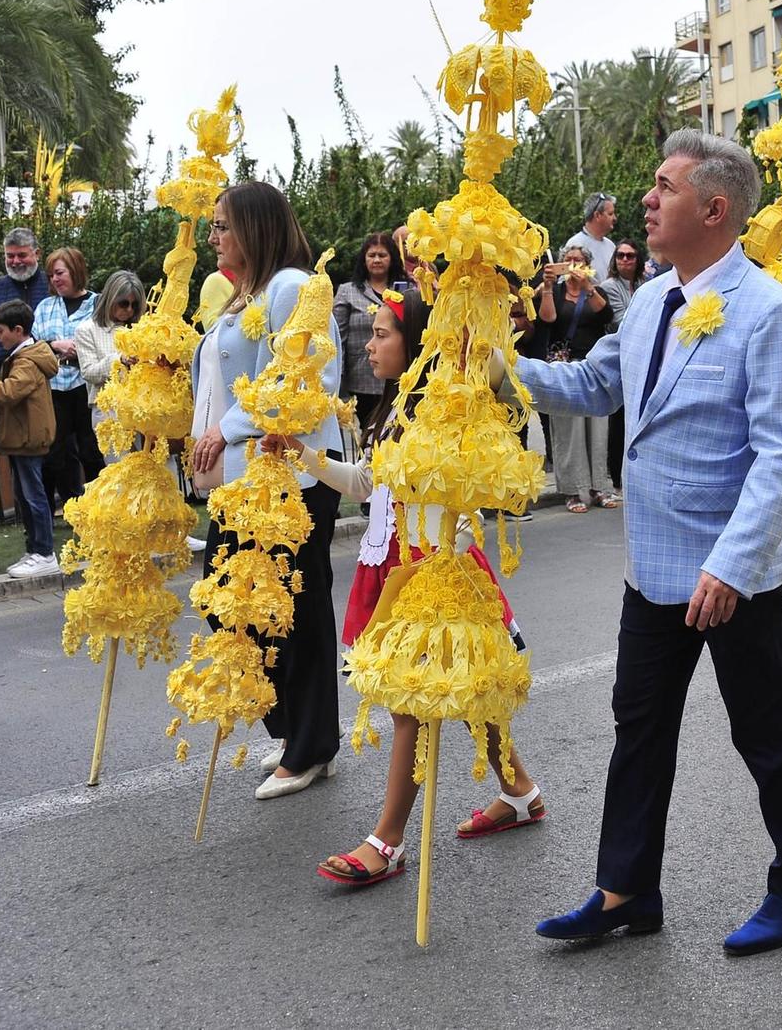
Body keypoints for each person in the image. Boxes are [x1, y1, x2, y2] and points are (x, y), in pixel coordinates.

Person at [516, 130, 782, 955]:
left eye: (664, 186)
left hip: (733, 573)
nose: (647, 200)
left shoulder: (772, 313)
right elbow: (594, 383)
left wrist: (730, 563)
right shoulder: (654, 297)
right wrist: (499, 372)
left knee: (763, 735)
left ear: (715, 208)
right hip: (649, 568)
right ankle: (625, 889)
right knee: (639, 727)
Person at [266, 293, 547, 885]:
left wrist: (458, 537)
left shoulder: (455, 410)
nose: (369, 344)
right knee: (462, 694)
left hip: (440, 574)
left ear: (419, 342)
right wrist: (303, 454)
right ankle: (520, 791)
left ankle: (386, 840)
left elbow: (501, 473)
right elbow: (368, 483)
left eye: (384, 333)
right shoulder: (394, 411)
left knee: (412, 704)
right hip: (394, 571)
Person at [187, 182, 345, 800]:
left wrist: (224, 431)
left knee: (295, 610)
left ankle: (307, 746)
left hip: (293, 478)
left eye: (224, 225)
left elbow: (302, 378)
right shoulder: (245, 294)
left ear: (255, 227)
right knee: (231, 600)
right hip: (246, 478)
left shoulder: (293, 289)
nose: (215, 237)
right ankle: (297, 731)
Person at [0, 298, 60, 579]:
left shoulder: (26, 361)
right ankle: (35, 550)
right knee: (26, 497)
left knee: (34, 498)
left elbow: (8, 392)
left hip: (28, 441)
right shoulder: (24, 356)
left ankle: (44, 553)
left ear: (18, 330)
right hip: (22, 440)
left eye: (0, 331)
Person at [533, 246, 617, 513]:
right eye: (567, 260)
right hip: (564, 366)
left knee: (597, 431)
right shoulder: (556, 291)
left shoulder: (596, 290)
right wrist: (546, 287)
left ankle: (599, 487)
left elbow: (606, 315)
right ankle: (572, 490)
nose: (571, 264)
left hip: (594, 366)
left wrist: (587, 286)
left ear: (587, 264)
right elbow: (548, 319)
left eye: (578, 260)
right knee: (569, 433)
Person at [31, 247, 103, 508]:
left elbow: (109, 339)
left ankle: (99, 509)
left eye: (59, 273)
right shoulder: (44, 307)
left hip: (88, 388)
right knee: (53, 455)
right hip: (55, 389)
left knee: (92, 451)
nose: (54, 279)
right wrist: (56, 345)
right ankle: (51, 512)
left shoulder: (98, 304)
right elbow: (33, 345)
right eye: (50, 275)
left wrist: (80, 350)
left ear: (76, 270)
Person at [333, 231, 403, 421]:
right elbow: (337, 337)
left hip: (398, 376)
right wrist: (338, 380)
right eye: (372, 255)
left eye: (382, 255)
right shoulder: (347, 291)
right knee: (369, 432)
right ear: (364, 260)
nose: (377, 260)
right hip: (362, 377)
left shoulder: (405, 290)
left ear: (392, 259)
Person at [600, 237, 650, 494]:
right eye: (620, 255)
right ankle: (617, 478)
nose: (624, 260)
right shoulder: (609, 286)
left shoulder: (645, 284)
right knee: (617, 422)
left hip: (644, 358)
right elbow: (621, 321)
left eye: (630, 256)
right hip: (619, 358)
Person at [0, 226, 49, 374]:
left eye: (22, 255)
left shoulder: (52, 286)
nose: (16, 261)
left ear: (37, 254)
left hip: (49, 377)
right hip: (3, 374)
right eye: (10, 256)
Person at [75, 270, 145, 429]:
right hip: (109, 409)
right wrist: (119, 360)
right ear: (110, 299)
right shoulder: (87, 330)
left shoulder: (142, 328)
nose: (129, 310)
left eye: (134, 305)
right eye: (123, 303)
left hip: (143, 407)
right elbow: (88, 372)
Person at [564, 191, 619, 279]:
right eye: (610, 214)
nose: (615, 218)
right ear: (597, 215)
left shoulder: (610, 245)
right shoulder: (575, 245)